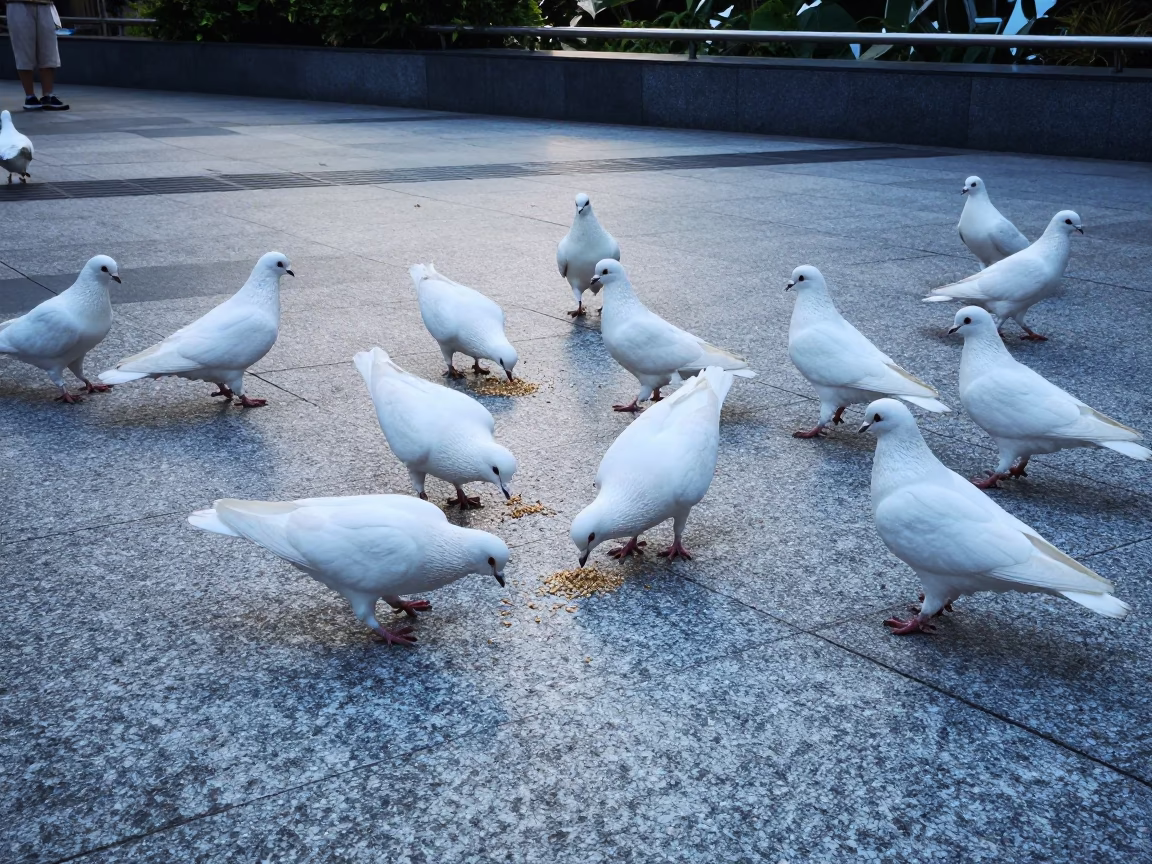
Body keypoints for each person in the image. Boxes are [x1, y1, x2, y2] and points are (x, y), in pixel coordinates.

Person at [5, 0, 70, 110]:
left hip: (46, 4)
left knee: (49, 51)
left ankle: (48, 95)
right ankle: (30, 96)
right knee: (23, 49)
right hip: (18, 3)